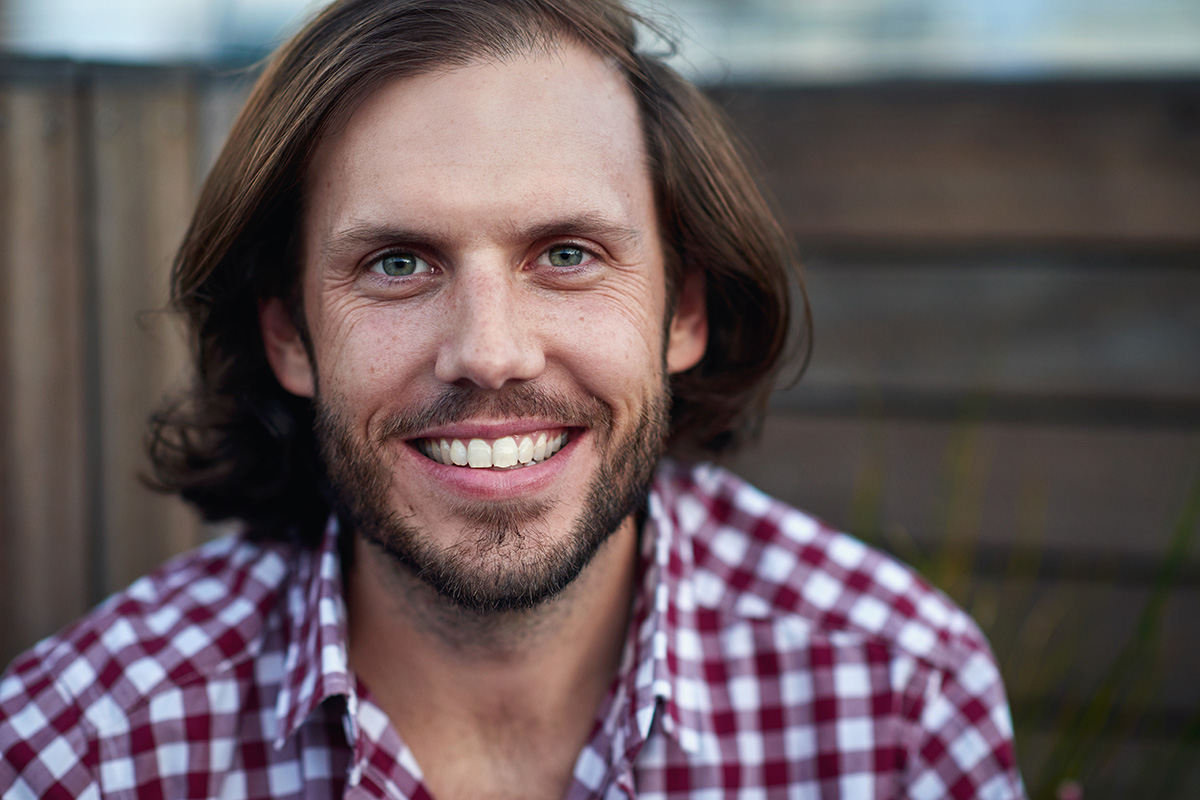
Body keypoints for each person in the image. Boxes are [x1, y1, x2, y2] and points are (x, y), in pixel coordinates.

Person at [0, 0, 1025, 797]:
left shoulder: (900, 698)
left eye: (568, 254)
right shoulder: (81, 750)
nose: (490, 352)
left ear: (683, 311)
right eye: (398, 262)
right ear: (287, 335)